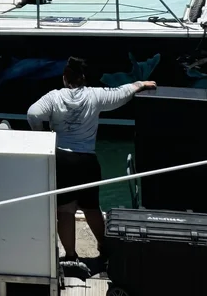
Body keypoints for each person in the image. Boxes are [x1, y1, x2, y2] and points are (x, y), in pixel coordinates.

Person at [27, 56, 155, 268]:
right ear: (83, 78)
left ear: (64, 79)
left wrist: (42, 136)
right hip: (87, 160)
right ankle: (105, 248)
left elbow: (33, 114)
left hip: (63, 159)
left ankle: (70, 256)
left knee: (65, 210)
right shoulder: (94, 95)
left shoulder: (53, 97)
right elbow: (121, 93)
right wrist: (140, 84)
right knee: (91, 207)